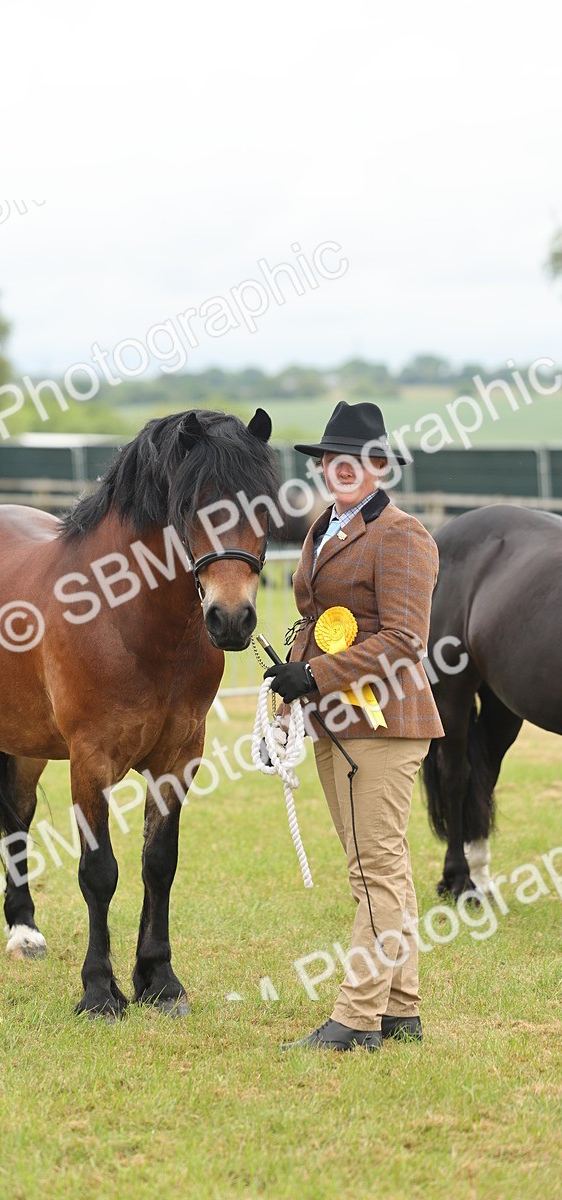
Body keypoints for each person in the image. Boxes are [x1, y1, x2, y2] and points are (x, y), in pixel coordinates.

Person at [264, 401, 445, 1052]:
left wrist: (317, 677)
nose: (341, 470)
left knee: (375, 872)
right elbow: (317, 619)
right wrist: (292, 684)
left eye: (356, 461)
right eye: (330, 460)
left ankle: (357, 1018)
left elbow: (403, 639)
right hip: (336, 721)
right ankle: (400, 1010)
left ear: (378, 466)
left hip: (384, 722)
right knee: (380, 871)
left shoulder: (400, 535)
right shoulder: (326, 526)